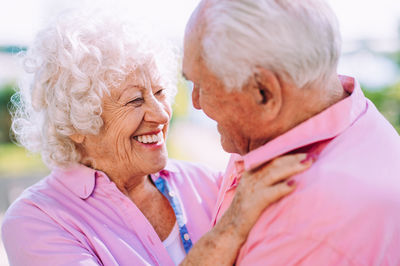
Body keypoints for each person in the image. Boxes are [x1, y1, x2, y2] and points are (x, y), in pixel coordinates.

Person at [1, 10, 311, 266]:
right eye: (135, 100)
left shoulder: (209, 183)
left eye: (160, 92)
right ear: (75, 122)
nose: (162, 115)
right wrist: (232, 227)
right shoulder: (36, 221)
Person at [182, 0, 400, 264]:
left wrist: (226, 232)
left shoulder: (302, 223)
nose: (195, 102)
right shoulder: (350, 117)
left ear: (264, 92)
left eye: (202, 86)